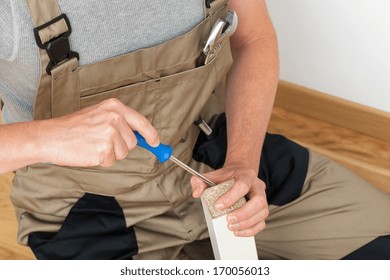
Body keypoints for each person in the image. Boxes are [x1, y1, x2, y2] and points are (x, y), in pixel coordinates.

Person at [0, 0, 389, 260]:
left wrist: (242, 160)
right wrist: (48, 136)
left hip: (212, 157)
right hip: (86, 211)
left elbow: (254, 38)